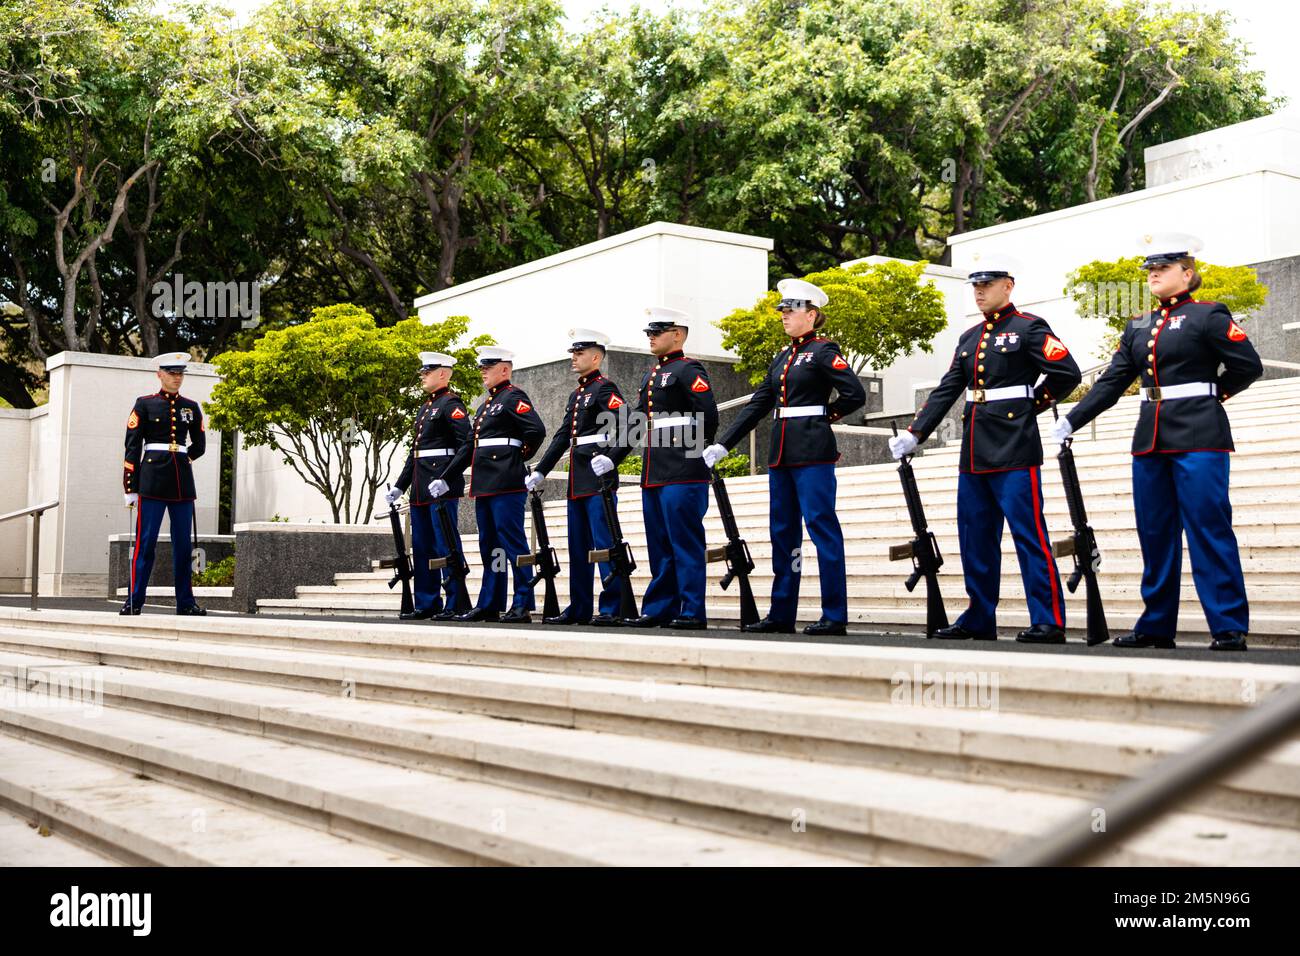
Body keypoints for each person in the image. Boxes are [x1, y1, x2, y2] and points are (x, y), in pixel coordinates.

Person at [1053, 232, 1263, 651]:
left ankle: (1227, 625)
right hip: (1151, 439)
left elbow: (1247, 365)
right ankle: (1156, 625)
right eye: (1149, 269)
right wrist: (1074, 418)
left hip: (1200, 435)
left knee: (1208, 529)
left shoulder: (1209, 315)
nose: (1153, 274)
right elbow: (1113, 381)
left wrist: (1210, 395)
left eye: (1162, 268)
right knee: (1155, 534)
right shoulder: (1138, 325)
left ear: (1187, 273)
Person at [891, 254, 1082, 643]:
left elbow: (1067, 374)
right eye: (975, 285)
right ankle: (980, 615)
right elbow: (948, 389)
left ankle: (1047, 619)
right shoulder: (970, 337)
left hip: (1015, 447)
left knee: (1029, 535)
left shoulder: (1029, 328)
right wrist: (916, 432)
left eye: (987, 284)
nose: (979, 291)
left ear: (1007, 286)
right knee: (975, 538)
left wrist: (1031, 405)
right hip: (975, 451)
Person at [702, 279, 866, 637]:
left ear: (812, 314)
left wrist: (826, 416)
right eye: (783, 310)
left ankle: (834, 614)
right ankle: (782, 611)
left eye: (791, 310)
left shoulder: (824, 351)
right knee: (783, 535)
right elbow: (760, 402)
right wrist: (725, 443)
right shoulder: (782, 357)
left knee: (823, 530)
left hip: (812, 452)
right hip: (782, 454)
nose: (784, 316)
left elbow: (855, 394)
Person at [606, 307, 718, 629]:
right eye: (649, 332)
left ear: (678, 334)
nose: (651, 336)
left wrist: (699, 453)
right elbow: (637, 421)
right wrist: (613, 456)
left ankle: (692, 611)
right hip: (655, 473)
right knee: (659, 545)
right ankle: (659, 608)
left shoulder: (688, 369)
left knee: (685, 543)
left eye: (658, 331)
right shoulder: (650, 375)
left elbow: (708, 414)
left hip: (684, 470)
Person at [430, 346, 546, 623]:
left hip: (506, 482)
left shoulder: (513, 397)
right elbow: (469, 446)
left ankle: (522, 603)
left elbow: (536, 430)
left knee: (513, 544)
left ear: (504, 369)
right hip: (485, 484)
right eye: (482, 366)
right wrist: (446, 477)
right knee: (490, 546)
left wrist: (517, 457)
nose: (482, 371)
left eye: (488, 366)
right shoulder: (485, 406)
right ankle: (490, 602)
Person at [527, 330, 631, 626]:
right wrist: (540, 470)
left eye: (580, 352)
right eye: (573, 352)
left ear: (596, 357)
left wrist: (611, 458)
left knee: (604, 543)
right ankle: (580, 606)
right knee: (579, 547)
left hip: (598, 475)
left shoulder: (605, 388)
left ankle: (613, 606)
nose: (573, 357)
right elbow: (563, 436)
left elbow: (631, 424)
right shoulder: (577, 394)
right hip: (578, 479)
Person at [121, 352, 208, 616]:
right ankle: (134, 600)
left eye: (180, 373)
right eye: (172, 373)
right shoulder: (144, 404)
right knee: (145, 545)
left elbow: (200, 445)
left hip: (181, 481)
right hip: (152, 481)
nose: (177, 377)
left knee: (183, 547)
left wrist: (184, 458)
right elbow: (132, 446)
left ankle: (186, 603)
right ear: (159, 374)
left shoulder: (191, 407)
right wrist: (131, 488)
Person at [388, 351, 470, 620]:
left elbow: (465, 446)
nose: (422, 375)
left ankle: (456, 601)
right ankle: (427, 601)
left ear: (444, 374)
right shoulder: (426, 408)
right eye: (423, 371)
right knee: (423, 547)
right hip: (421, 488)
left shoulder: (451, 404)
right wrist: (401, 486)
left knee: (446, 544)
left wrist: (446, 478)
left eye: (428, 371)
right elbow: (416, 453)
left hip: (440, 488)